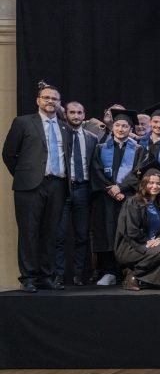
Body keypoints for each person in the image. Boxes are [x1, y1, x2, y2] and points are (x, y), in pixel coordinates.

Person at [2, 81, 71, 291]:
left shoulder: (65, 127)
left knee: (50, 233)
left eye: (55, 99)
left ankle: (46, 277)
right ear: (38, 100)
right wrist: (25, 175)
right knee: (29, 232)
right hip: (30, 187)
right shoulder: (23, 122)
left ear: (59, 103)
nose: (51, 101)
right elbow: (8, 153)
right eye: (46, 97)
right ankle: (28, 278)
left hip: (58, 185)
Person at [91, 108, 148, 286]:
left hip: (127, 197)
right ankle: (108, 272)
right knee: (106, 233)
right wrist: (110, 188)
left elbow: (139, 171)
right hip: (105, 197)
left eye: (125, 126)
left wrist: (121, 188)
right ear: (113, 126)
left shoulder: (138, 149)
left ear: (130, 129)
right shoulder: (101, 147)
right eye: (117, 125)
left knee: (126, 232)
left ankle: (126, 270)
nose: (120, 129)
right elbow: (96, 170)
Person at [114, 161, 160, 290]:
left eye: (158, 183)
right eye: (151, 183)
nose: (154, 186)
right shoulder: (133, 202)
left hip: (150, 245)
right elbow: (132, 231)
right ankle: (132, 275)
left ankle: (144, 279)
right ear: (144, 184)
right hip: (131, 246)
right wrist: (148, 241)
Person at [55, 100, 97, 286]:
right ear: (65, 114)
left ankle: (79, 274)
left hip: (84, 189)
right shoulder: (59, 134)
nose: (76, 116)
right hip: (64, 188)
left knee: (82, 235)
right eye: (72, 112)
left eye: (79, 112)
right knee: (60, 235)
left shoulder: (91, 138)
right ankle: (58, 275)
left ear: (84, 115)